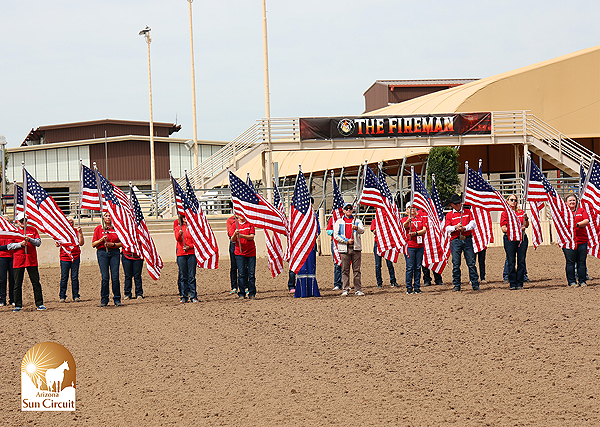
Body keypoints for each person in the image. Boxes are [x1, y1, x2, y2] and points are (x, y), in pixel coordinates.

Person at [443, 194, 480, 291]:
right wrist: (455, 227)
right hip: (455, 240)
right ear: (452, 205)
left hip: (467, 238)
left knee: (471, 262)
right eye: (456, 204)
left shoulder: (467, 212)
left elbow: (473, 223)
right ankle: (457, 284)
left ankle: (475, 283)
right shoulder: (449, 215)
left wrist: (465, 228)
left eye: (459, 203)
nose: (458, 205)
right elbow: (447, 228)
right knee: (456, 263)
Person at [12, 212, 46, 311]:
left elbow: (38, 242)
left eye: (25, 220)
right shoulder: (14, 231)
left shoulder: (33, 230)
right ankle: (18, 305)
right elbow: (10, 246)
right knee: (17, 283)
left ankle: (39, 303)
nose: (23, 222)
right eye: (21, 220)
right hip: (19, 260)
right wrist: (20, 244)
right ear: (17, 221)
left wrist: (30, 239)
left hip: (31, 259)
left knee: (35, 282)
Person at [92, 211, 123, 307]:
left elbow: (122, 243)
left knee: (115, 277)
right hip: (102, 253)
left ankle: (117, 299)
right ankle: (104, 299)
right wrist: (101, 240)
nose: (108, 217)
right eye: (106, 216)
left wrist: (112, 244)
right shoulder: (98, 229)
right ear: (103, 218)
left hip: (114, 252)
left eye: (109, 216)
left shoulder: (116, 229)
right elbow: (93, 244)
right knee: (105, 277)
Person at [333, 202, 365, 296]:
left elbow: (362, 230)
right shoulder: (339, 222)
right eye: (346, 209)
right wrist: (346, 241)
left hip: (356, 248)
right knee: (345, 270)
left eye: (350, 209)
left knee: (356, 270)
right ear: (343, 210)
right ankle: (345, 289)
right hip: (344, 248)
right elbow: (336, 235)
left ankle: (358, 289)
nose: (348, 210)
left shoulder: (357, 221)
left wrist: (357, 228)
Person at [501, 195, 529, 290]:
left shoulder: (521, 212)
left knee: (521, 261)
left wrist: (526, 219)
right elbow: (504, 228)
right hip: (510, 239)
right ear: (507, 201)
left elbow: (526, 225)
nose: (513, 202)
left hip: (522, 238)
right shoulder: (505, 213)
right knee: (511, 261)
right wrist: (516, 229)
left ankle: (520, 282)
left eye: (515, 200)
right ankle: (512, 282)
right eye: (511, 200)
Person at [57, 217, 84, 302]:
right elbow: (57, 244)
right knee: (64, 277)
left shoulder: (76, 231)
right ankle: (62, 295)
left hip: (75, 256)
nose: (70, 223)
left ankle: (76, 295)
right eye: (69, 222)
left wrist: (80, 233)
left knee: (74, 277)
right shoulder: (62, 232)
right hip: (65, 257)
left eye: (71, 222)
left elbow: (81, 243)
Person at [564, 194, 589, 287]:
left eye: (573, 200)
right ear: (566, 202)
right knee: (570, 262)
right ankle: (572, 281)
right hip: (569, 242)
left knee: (581, 262)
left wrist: (576, 225)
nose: (572, 202)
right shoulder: (564, 212)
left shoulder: (581, 210)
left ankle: (582, 281)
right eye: (570, 200)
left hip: (582, 241)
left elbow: (586, 220)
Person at [402, 203, 428, 294]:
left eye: (413, 207)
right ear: (406, 210)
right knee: (410, 267)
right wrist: (408, 221)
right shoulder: (405, 219)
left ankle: (417, 286)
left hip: (420, 245)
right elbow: (403, 226)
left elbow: (424, 229)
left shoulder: (421, 218)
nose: (412, 209)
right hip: (410, 246)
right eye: (409, 207)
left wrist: (416, 233)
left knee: (418, 267)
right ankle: (409, 287)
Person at [231, 214, 257, 299]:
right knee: (241, 274)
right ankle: (241, 293)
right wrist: (235, 234)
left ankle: (252, 293)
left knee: (251, 274)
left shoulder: (250, 223)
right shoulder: (234, 225)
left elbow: (251, 237)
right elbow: (232, 239)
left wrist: (242, 236)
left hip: (251, 252)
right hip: (239, 252)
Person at [174, 215, 198, 303]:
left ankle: (193, 295)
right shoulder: (178, 228)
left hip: (191, 253)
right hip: (181, 254)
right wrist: (179, 234)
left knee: (191, 276)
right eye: (183, 217)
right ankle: (184, 296)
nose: (185, 218)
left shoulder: (194, 229)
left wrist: (190, 246)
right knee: (183, 276)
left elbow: (197, 241)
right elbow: (177, 239)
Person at [371, 215, 399, 288]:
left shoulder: (387, 221)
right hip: (378, 243)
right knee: (378, 265)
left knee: (389, 263)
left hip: (387, 243)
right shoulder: (374, 221)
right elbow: (374, 231)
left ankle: (393, 281)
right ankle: (379, 282)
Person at [0, 224, 16, 307]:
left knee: (12, 279)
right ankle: (2, 299)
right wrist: (8, 246)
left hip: (12, 257)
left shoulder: (12, 233)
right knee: (3, 279)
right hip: (2, 257)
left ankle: (12, 299)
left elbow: (16, 244)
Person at [326, 216, 343, 290]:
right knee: (337, 263)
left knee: (345, 263)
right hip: (334, 242)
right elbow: (328, 231)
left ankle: (344, 283)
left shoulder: (344, 219)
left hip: (343, 242)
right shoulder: (332, 219)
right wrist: (335, 231)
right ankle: (337, 283)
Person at [226, 213, 239, 295]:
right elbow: (230, 233)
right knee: (234, 266)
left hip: (243, 242)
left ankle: (245, 286)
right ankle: (234, 286)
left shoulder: (245, 218)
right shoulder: (230, 220)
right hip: (234, 243)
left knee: (244, 266)